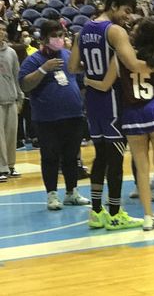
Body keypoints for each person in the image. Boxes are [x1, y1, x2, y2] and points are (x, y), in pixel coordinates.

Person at [68, 0, 154, 231]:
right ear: (113, 5)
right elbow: (132, 64)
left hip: (93, 102)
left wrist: (92, 75)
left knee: (101, 157)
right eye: (126, 11)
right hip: (113, 100)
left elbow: (73, 66)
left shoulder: (83, 30)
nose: (128, 17)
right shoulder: (115, 31)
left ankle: (97, 212)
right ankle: (116, 214)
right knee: (115, 159)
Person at [84, 17, 154, 231]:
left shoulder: (121, 58)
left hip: (133, 114)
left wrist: (87, 80)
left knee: (141, 169)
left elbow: (105, 85)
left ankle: (147, 216)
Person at [19, 20, 90, 210]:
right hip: (47, 120)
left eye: (61, 35)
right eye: (54, 36)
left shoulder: (68, 55)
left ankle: (71, 192)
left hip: (73, 116)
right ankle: (52, 194)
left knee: (71, 156)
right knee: (50, 157)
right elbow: (25, 85)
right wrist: (44, 69)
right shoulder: (33, 60)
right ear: (43, 39)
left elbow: (80, 73)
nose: (59, 39)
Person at [0, 19, 24, 182]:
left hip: (11, 98)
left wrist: (20, 97)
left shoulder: (11, 52)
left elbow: (17, 76)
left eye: (3, 29)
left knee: (10, 135)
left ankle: (11, 165)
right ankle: (1, 167)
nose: (1, 32)